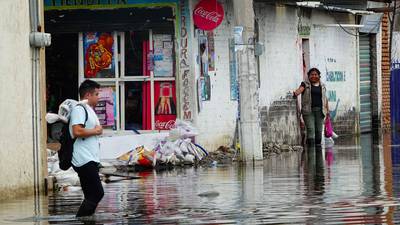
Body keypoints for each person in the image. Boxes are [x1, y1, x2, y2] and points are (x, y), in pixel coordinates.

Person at [70, 79, 104, 217]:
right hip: (83, 159)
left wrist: (97, 130)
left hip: (90, 158)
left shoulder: (89, 110)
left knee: (91, 195)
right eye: (96, 94)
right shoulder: (79, 109)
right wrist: (96, 131)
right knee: (97, 193)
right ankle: (81, 220)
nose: (98, 97)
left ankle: (86, 220)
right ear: (88, 95)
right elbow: (76, 131)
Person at [293, 68, 329, 147]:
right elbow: (300, 90)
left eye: (315, 74)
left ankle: (318, 153)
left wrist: (327, 111)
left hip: (320, 112)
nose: (314, 76)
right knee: (311, 130)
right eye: (312, 75)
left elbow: (325, 98)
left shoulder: (322, 86)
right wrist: (296, 93)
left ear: (319, 76)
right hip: (308, 111)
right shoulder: (305, 84)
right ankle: (311, 152)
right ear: (308, 76)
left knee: (319, 131)